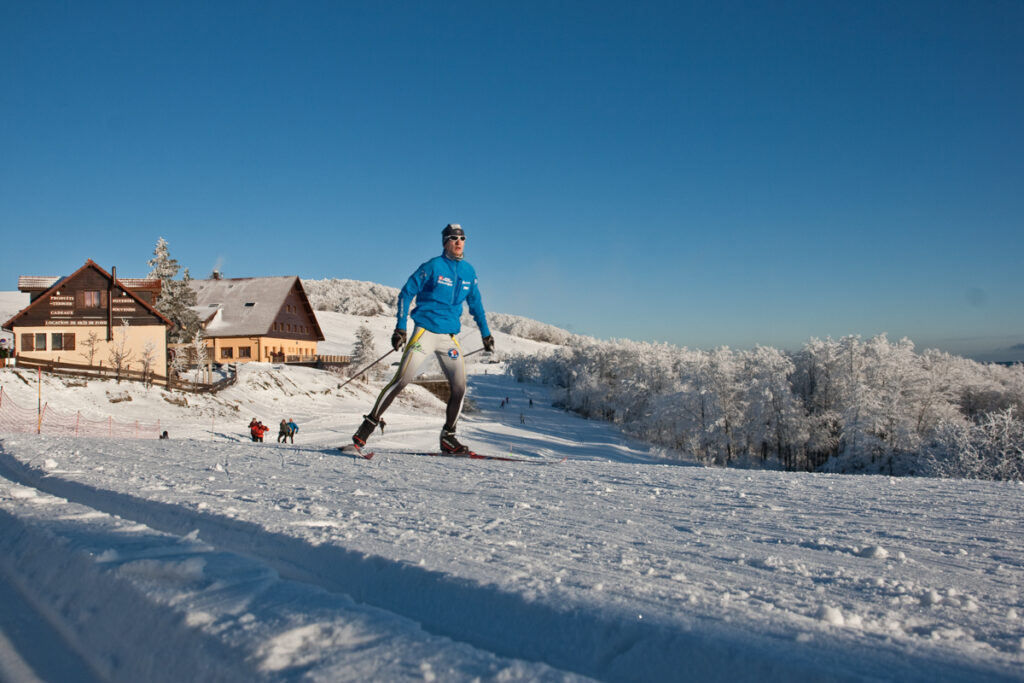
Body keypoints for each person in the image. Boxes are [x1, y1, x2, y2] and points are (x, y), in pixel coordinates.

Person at [343, 223, 494, 455]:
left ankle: (448, 438)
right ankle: (364, 432)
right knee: (401, 381)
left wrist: (486, 333)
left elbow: (476, 306)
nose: (458, 241)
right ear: (445, 242)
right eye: (453, 238)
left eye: (462, 238)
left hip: (449, 337)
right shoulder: (433, 266)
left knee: (460, 387)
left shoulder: (469, 272)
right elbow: (406, 293)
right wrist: (400, 328)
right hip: (425, 332)